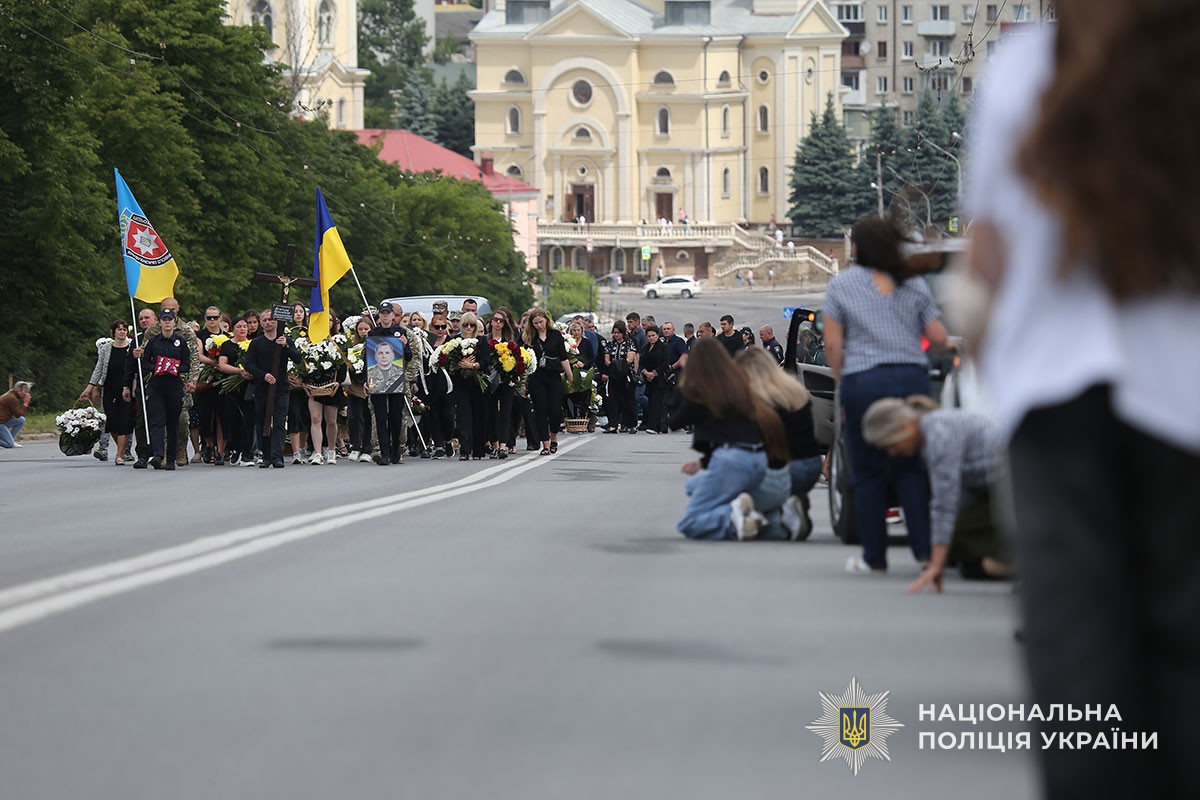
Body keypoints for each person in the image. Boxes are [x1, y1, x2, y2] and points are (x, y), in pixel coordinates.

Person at [966, 5, 1200, 795]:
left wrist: (997, 372)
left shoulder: (1024, 70)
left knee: (1080, 676)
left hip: (1056, 403)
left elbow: (986, 263)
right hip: (1186, 406)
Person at [823, 215, 948, 574]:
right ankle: (924, 552)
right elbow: (938, 338)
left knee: (866, 471)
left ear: (857, 248)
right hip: (911, 379)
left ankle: (873, 557)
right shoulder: (915, 283)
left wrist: (843, 382)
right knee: (911, 468)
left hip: (864, 382)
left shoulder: (841, 285)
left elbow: (833, 344)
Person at [861, 396, 1013, 591]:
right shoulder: (933, 428)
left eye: (890, 445)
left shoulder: (938, 436)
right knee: (966, 555)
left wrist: (936, 565)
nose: (892, 453)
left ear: (904, 427)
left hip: (1017, 483)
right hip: (1002, 484)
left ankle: (1022, 562)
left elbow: (945, 503)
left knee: (958, 532)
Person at [667, 338, 788, 540]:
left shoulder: (701, 390)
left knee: (690, 523)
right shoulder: (740, 384)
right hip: (758, 458)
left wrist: (685, 380)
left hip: (731, 459)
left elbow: (675, 421)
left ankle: (733, 516)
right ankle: (772, 519)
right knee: (693, 486)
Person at [738, 347, 826, 540]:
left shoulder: (759, 400)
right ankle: (789, 506)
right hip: (811, 465)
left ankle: (781, 516)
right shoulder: (794, 390)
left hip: (787, 469)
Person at [130, 308, 192, 470]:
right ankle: (158, 454)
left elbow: (187, 364)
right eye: (164, 319)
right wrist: (157, 367)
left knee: (173, 423)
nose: (167, 322)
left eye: (169, 320)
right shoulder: (154, 341)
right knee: (157, 421)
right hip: (156, 385)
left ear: (174, 321)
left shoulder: (180, 341)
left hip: (174, 385)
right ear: (160, 322)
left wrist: (174, 368)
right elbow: (145, 362)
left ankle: (170, 458)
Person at [244, 309, 302, 468]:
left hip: (281, 387)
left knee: (279, 421)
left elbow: (297, 359)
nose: (267, 322)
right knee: (262, 421)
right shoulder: (256, 343)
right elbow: (248, 363)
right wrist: (263, 375)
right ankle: (266, 455)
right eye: (264, 320)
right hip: (262, 387)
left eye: (270, 319)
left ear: (276, 321)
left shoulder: (285, 340)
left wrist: (285, 347)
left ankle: (277, 456)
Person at [82, 321, 135, 465]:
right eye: (119, 330)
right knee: (110, 421)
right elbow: (99, 369)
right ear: (113, 332)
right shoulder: (106, 348)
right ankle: (122, 449)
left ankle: (119, 455)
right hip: (110, 388)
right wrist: (89, 388)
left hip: (127, 388)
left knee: (124, 421)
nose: (122, 332)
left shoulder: (131, 348)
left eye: (124, 329)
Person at [523, 307, 573, 455]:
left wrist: (570, 377)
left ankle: (554, 436)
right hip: (537, 378)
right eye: (536, 323)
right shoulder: (529, 338)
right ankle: (545, 444)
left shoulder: (555, 335)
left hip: (554, 377)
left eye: (541, 321)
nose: (539, 325)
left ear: (546, 320)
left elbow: (563, 357)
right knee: (540, 410)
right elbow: (524, 359)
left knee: (555, 410)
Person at [368, 302, 412, 466]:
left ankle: (395, 452)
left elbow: (408, 357)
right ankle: (384, 453)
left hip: (396, 380)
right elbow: (369, 360)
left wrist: (405, 344)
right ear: (379, 315)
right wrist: (369, 382)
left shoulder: (400, 332)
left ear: (393, 315)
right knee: (380, 417)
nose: (385, 316)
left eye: (388, 313)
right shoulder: (373, 333)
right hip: (378, 380)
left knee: (396, 417)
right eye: (383, 313)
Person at [216, 317, 255, 466]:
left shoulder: (252, 344)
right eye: (239, 326)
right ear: (233, 329)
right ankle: (235, 449)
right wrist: (239, 371)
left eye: (245, 326)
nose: (243, 329)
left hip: (249, 387)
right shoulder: (227, 345)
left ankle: (247, 452)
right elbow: (222, 365)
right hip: (232, 386)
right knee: (233, 419)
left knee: (248, 419)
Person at [451, 312, 489, 461]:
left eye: (471, 325)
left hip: (478, 384)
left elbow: (486, 362)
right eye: (465, 325)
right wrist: (459, 365)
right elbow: (449, 362)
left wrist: (472, 365)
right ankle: (465, 449)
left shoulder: (482, 341)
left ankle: (478, 450)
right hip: (461, 384)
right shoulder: (456, 341)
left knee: (479, 416)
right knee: (463, 416)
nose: (468, 327)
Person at [420, 313, 456, 459]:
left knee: (447, 416)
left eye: (443, 327)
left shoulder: (451, 342)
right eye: (437, 327)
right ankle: (439, 445)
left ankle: (448, 440)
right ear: (431, 328)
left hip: (448, 384)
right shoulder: (426, 343)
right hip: (432, 384)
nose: (440, 330)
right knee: (434, 415)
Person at [485, 307, 519, 459]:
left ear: (505, 323)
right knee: (491, 412)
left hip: (506, 380)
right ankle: (494, 444)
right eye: (495, 320)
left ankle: (504, 445)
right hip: (489, 381)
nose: (497, 323)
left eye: (501, 321)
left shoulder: (510, 342)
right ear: (491, 322)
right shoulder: (484, 339)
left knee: (505, 412)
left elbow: (518, 359)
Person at [344, 317, 374, 463]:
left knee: (367, 416)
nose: (363, 332)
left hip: (369, 384)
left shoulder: (374, 344)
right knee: (354, 416)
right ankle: (355, 446)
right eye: (360, 329)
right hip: (354, 384)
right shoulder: (351, 345)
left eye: (366, 329)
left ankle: (367, 447)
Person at [603, 321, 638, 434]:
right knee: (612, 400)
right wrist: (613, 366)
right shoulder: (610, 345)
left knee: (628, 401)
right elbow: (607, 360)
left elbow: (629, 359)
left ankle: (631, 424)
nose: (616, 335)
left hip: (626, 375)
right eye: (614, 333)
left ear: (623, 333)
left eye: (618, 333)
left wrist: (620, 365)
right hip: (613, 375)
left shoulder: (630, 344)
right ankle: (613, 424)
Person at [638, 325, 669, 433]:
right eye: (649, 336)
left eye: (653, 335)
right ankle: (654, 425)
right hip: (648, 379)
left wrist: (654, 373)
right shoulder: (646, 348)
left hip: (659, 378)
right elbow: (641, 362)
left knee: (657, 402)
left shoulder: (663, 347)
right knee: (651, 402)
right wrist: (646, 373)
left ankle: (656, 427)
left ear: (657, 335)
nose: (651, 338)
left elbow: (665, 363)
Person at [0, 381, 32, 449]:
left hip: (3, 421)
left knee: (21, 420)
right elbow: (18, 414)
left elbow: (18, 416)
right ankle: (10, 442)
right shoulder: (12, 398)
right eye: (25, 391)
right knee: (9, 445)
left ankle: (11, 439)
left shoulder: (11, 395)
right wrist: (25, 403)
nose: (26, 394)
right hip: (1, 423)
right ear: (19, 391)